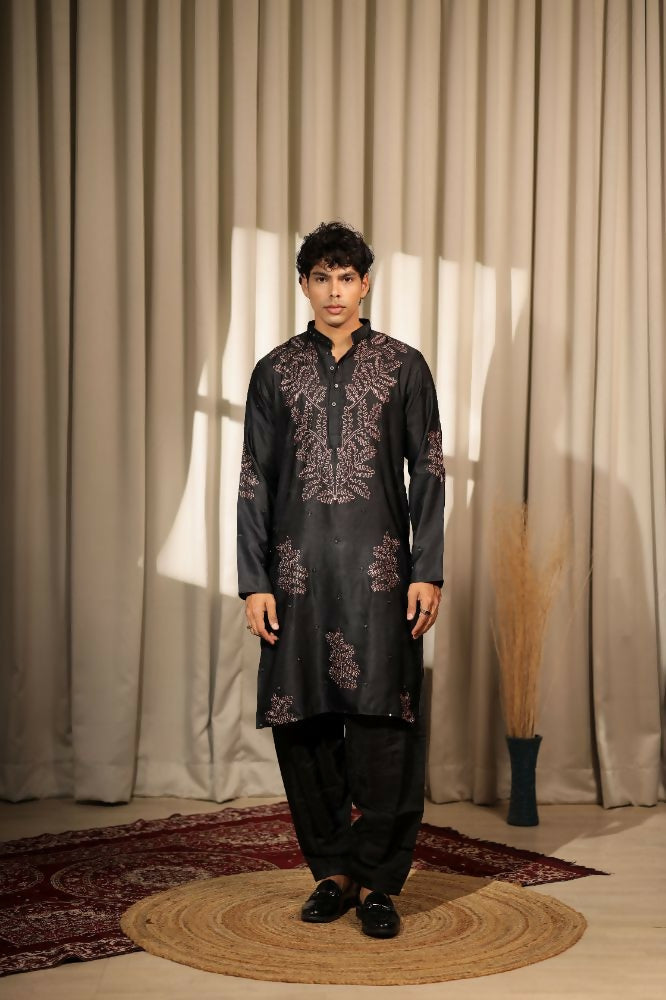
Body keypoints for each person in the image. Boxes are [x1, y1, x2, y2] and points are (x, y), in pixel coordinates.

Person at [237, 221, 445, 938]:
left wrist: (427, 569)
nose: (334, 291)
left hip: (379, 575)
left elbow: (429, 473)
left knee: (387, 724)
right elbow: (254, 480)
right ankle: (332, 872)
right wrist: (254, 581)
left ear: (365, 285)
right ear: (304, 285)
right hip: (297, 576)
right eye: (321, 278)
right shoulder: (273, 371)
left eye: (346, 278)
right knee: (303, 725)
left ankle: (380, 881)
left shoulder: (404, 366)